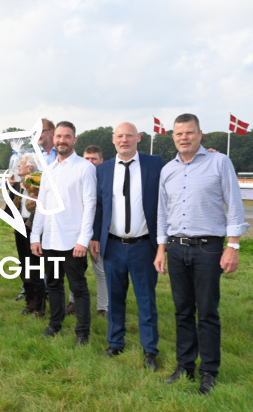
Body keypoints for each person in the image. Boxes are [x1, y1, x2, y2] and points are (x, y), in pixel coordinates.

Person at [155, 113, 249, 395]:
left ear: (200, 134)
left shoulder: (219, 162)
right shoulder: (167, 170)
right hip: (175, 248)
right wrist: (161, 248)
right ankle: (184, 366)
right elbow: (162, 212)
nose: (184, 137)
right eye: (179, 133)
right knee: (182, 311)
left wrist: (233, 246)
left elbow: (234, 205)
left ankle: (209, 371)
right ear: (173, 137)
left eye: (189, 132)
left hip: (208, 248)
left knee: (207, 312)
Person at [90, 122, 164, 371]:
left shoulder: (155, 164)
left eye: (129, 136)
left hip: (144, 246)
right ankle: (115, 343)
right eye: (120, 136)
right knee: (115, 297)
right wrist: (95, 236)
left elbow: (181, 168)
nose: (124, 140)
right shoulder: (104, 169)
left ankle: (150, 349)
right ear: (113, 139)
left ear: (138, 138)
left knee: (146, 300)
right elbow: (99, 205)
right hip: (113, 246)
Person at [30, 121, 96, 343]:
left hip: (73, 242)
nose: (62, 140)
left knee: (79, 289)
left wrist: (83, 240)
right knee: (54, 286)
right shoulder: (49, 170)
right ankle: (54, 325)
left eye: (67, 136)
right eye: (59, 136)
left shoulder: (85, 168)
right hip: (50, 240)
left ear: (74, 140)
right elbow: (42, 205)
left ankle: (82, 333)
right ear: (54, 138)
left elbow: (90, 206)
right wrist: (35, 236)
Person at [14, 118, 56, 301]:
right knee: (28, 258)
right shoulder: (32, 154)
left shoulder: (60, 155)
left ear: (51, 133)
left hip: (50, 216)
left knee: (47, 258)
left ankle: (48, 292)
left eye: (41, 131)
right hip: (29, 218)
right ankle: (30, 292)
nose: (36, 136)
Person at [67, 145, 108, 318]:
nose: (90, 162)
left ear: (101, 160)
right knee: (75, 270)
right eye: (87, 159)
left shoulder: (106, 180)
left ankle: (102, 308)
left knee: (101, 271)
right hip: (76, 233)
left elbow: (101, 210)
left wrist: (94, 236)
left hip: (98, 234)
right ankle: (73, 302)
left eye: (94, 159)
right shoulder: (78, 176)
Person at [6, 153, 45, 316]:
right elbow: (8, 209)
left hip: (33, 230)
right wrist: (8, 188)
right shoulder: (18, 185)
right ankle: (30, 301)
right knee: (23, 265)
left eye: (21, 163)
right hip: (20, 228)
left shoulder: (38, 183)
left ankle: (40, 306)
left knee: (35, 267)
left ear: (30, 168)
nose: (18, 165)